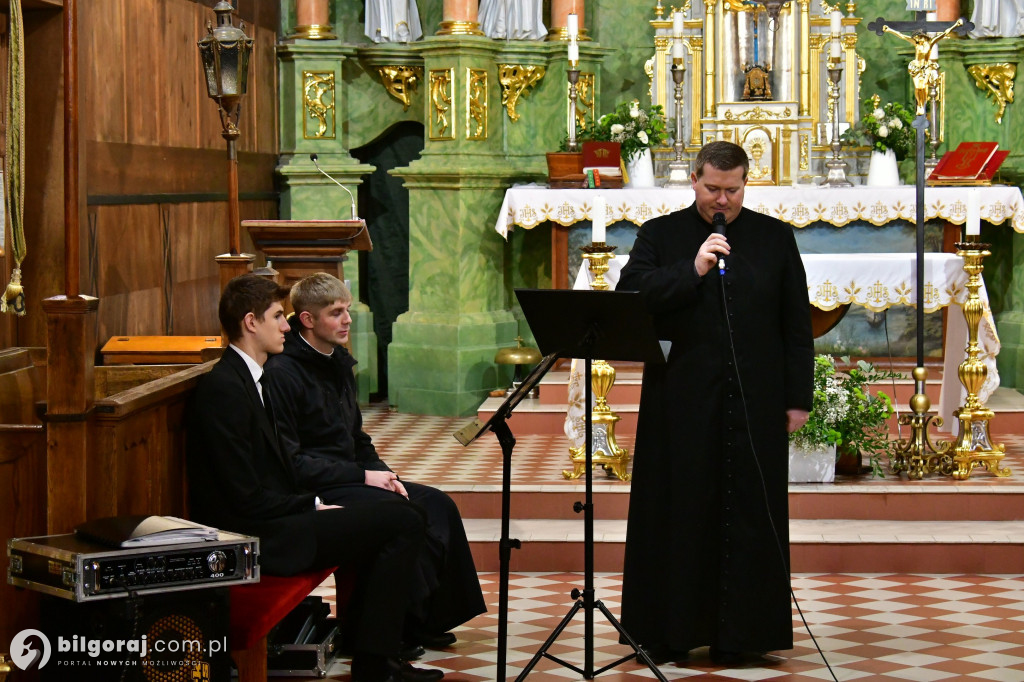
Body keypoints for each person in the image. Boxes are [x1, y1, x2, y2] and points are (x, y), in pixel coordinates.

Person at [187, 274, 442, 682]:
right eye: (277, 317)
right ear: (251, 323)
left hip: (279, 515)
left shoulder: (248, 377)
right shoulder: (225, 389)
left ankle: (378, 652)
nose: (286, 326)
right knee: (402, 520)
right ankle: (377, 664)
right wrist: (313, 503)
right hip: (258, 534)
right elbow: (243, 497)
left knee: (397, 514)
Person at [616, 141, 814, 665]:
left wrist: (798, 400)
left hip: (756, 397)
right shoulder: (660, 235)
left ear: (746, 185)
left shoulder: (774, 237)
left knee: (750, 512)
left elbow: (796, 326)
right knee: (677, 510)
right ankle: (668, 631)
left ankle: (744, 636)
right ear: (694, 181)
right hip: (679, 397)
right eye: (712, 189)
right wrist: (693, 269)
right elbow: (631, 296)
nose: (722, 200)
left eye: (733, 190)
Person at [264, 273, 487, 651]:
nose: (348, 320)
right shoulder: (283, 373)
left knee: (438, 504)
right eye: (336, 313)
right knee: (399, 515)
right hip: (316, 487)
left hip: (352, 477)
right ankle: (384, 632)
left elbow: (357, 438)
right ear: (307, 319)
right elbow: (293, 461)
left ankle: (425, 618)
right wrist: (364, 477)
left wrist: (384, 473)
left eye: (348, 310)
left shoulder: (337, 361)